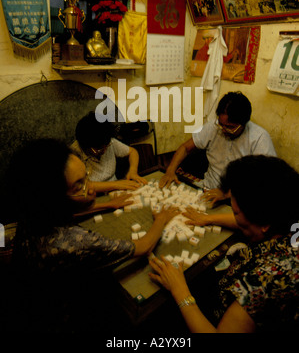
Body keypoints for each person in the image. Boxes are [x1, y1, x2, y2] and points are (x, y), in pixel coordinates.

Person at [7, 139, 179, 331]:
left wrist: (107, 204)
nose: (91, 189)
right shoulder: (74, 242)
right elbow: (143, 246)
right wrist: (161, 219)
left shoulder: (32, 213)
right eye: (78, 186)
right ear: (53, 199)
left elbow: (64, 211)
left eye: (86, 177)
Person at [150, 155, 299, 333]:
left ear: (264, 223)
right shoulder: (286, 220)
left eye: (235, 212)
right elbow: (254, 221)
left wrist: (180, 291)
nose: (234, 216)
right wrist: (209, 218)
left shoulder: (261, 282)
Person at [159, 92, 276, 207]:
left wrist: (226, 194)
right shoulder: (214, 127)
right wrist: (170, 170)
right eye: (221, 124)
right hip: (207, 190)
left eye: (230, 127)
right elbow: (185, 147)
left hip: (239, 201)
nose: (224, 130)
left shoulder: (259, 138)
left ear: (244, 123)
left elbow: (265, 180)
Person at [72, 112, 148, 194]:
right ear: (85, 146)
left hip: (116, 190)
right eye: (98, 149)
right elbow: (81, 185)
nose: (104, 151)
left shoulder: (107, 140)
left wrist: (133, 171)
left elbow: (132, 152)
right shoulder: (74, 154)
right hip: (92, 196)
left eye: (106, 146)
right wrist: (115, 184)